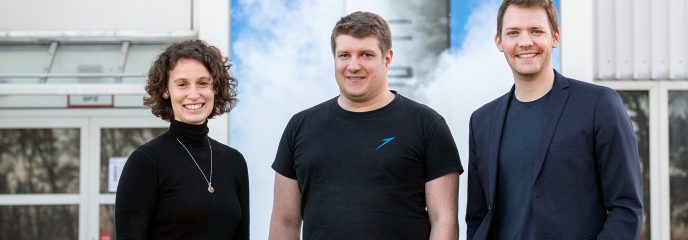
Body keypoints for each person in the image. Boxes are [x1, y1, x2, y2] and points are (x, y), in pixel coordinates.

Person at [268, 11, 463, 240]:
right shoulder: (300, 127)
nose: (353, 66)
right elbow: (286, 222)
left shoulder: (427, 125)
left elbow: (444, 220)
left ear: (387, 58)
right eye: (344, 55)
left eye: (366, 55)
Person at [465, 0, 644, 239]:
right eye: (513, 32)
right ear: (499, 41)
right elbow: (477, 217)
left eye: (536, 31)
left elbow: (627, 209)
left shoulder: (599, 105)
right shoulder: (482, 121)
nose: (525, 41)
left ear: (555, 37)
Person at [115, 39, 249, 239]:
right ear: (166, 91)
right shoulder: (146, 161)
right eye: (182, 84)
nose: (194, 94)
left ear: (215, 88)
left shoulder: (234, 161)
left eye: (203, 83)